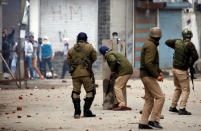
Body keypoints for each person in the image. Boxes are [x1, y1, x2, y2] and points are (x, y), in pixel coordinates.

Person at [166, 28, 198, 115]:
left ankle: (173, 106)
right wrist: (190, 64)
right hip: (182, 70)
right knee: (186, 90)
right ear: (190, 36)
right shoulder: (190, 45)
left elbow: (167, 42)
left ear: (183, 36)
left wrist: (178, 41)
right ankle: (182, 108)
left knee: (178, 88)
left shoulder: (177, 42)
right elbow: (196, 56)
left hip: (174, 69)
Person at [139, 27, 165, 129]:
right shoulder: (151, 46)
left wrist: (159, 72)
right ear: (159, 38)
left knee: (149, 100)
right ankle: (154, 120)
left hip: (145, 75)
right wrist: (156, 75)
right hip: (148, 75)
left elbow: (152, 63)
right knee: (160, 97)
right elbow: (149, 63)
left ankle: (143, 123)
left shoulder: (149, 44)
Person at [67, 32, 97, 119]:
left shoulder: (71, 50)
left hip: (75, 74)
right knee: (90, 91)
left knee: (75, 92)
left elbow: (69, 62)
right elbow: (94, 58)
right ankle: (86, 111)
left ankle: (77, 112)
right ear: (86, 39)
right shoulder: (89, 47)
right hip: (86, 73)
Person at [99, 45, 133, 111]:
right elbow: (117, 65)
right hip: (127, 70)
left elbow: (113, 60)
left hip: (125, 71)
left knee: (117, 87)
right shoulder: (112, 52)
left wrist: (112, 70)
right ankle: (116, 103)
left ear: (103, 54)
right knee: (120, 88)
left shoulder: (108, 55)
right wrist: (113, 77)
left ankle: (121, 104)